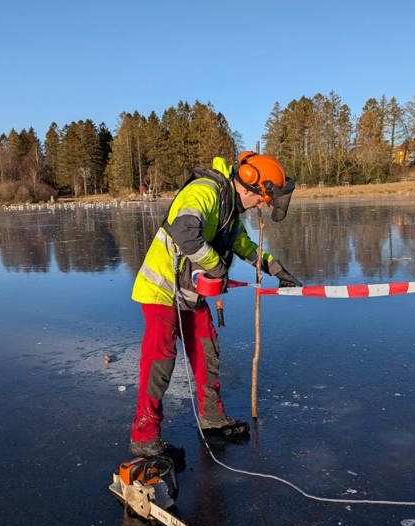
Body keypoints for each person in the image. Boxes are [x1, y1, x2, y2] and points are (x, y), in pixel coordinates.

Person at [128, 151, 302, 457]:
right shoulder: (205, 193)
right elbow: (185, 234)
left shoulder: (229, 206)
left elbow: (243, 244)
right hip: (162, 290)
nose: (262, 205)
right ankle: (144, 436)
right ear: (249, 186)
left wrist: (274, 268)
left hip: (190, 293)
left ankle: (211, 416)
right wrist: (216, 267)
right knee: (161, 359)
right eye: (263, 198)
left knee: (207, 349)